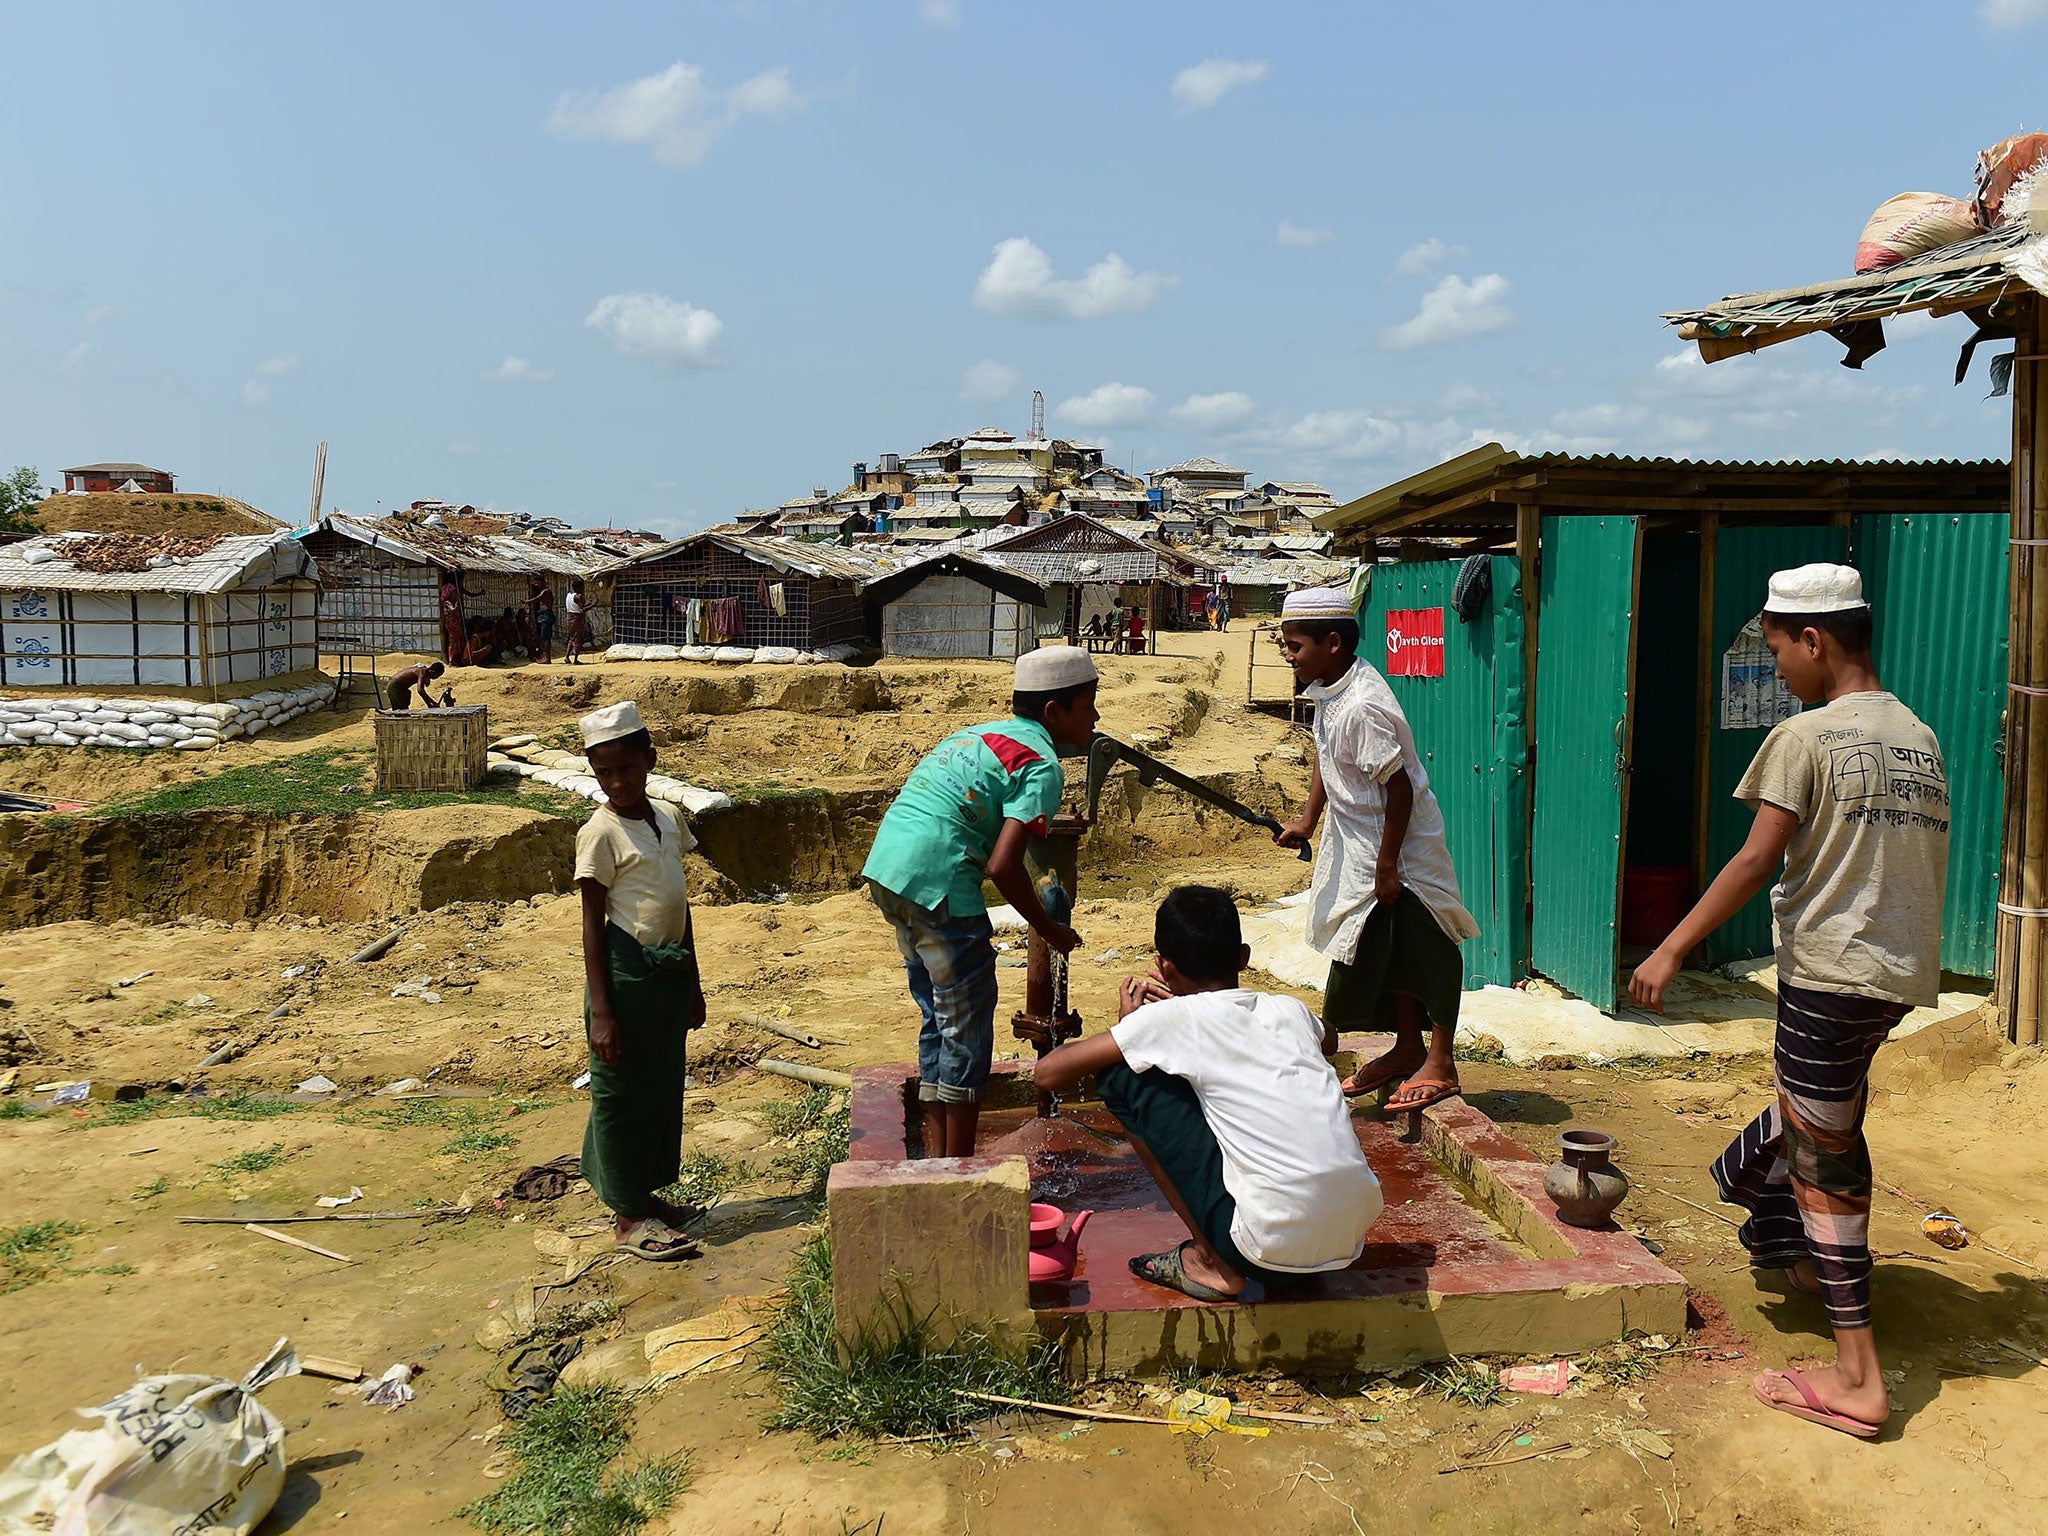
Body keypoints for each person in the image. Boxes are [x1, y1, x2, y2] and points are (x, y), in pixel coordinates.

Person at [1629, 563, 1947, 1440]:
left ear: (1814, 639)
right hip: (1893, 976)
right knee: (1823, 1117)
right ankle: (1790, 1247)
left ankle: (1856, 1378)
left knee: (1823, 1158)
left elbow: (1753, 860)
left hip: (1831, 973)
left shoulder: (1808, 736)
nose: (1777, 674)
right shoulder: (1916, 734)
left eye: (1776, 654)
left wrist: (1670, 947)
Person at [1035, 886, 1383, 1301]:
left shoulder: (1170, 1019)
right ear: (1243, 957)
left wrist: (1134, 1029)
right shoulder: (1288, 1009)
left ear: (1163, 966)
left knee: (1123, 1076)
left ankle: (1211, 1261)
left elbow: (1047, 1073)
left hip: (1259, 1251)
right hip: (1347, 1241)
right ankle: (1279, 1252)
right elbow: (1331, 1040)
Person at [861, 646, 1099, 1157]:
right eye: (1088, 705)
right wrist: (1049, 928)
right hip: (941, 882)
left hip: (890, 870)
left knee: (939, 1017)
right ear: (1054, 712)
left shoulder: (978, 734)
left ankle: (937, 1158)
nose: (1096, 717)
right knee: (968, 1026)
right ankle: (961, 1172)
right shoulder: (1043, 765)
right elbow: (1004, 866)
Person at [1272, 587, 1477, 1116]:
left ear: (1332, 642)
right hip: (1360, 840)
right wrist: (1308, 819)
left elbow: (1400, 787)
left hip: (1400, 848)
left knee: (1425, 947)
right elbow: (1325, 753)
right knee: (1380, 946)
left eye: (1294, 646)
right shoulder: (1329, 688)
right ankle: (1407, 1045)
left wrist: (1388, 866)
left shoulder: (1363, 705)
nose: (1288, 655)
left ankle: (1441, 1061)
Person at [575, 701, 709, 1261]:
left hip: (668, 973)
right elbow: (591, 923)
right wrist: (603, 1011)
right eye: (603, 772)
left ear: (649, 760)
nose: (616, 782)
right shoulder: (600, 833)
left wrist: (694, 981)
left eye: (626, 768)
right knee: (619, 1093)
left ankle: (646, 1194)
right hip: (625, 977)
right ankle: (628, 1216)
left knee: (658, 1086)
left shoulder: (667, 819)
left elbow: (681, 905)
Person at [439, 577, 468, 665]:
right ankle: (451, 660)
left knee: (457, 640)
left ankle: (456, 659)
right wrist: (458, 602)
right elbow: (453, 610)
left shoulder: (450, 601)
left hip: (455, 623)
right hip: (452, 624)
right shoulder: (447, 602)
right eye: (454, 592)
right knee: (453, 641)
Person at [531, 581, 557, 664]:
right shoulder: (544, 591)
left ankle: (548, 659)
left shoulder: (545, 591)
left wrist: (526, 601)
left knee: (546, 638)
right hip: (544, 615)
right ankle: (545, 657)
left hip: (546, 615)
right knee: (543, 637)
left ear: (542, 582)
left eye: (537, 583)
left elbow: (536, 599)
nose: (536, 585)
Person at [565, 578, 589, 664]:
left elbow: (576, 606)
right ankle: (575, 659)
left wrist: (588, 604)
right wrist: (593, 604)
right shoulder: (578, 597)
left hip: (569, 617)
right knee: (578, 639)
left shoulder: (569, 595)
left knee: (571, 638)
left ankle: (567, 657)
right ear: (579, 588)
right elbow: (583, 609)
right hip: (577, 618)